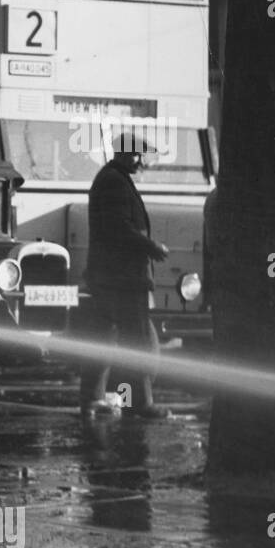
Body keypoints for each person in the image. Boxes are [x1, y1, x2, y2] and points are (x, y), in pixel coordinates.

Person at [79, 136, 172, 420]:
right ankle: (140, 403)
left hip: (109, 278)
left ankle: (93, 400)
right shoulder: (114, 182)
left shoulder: (110, 177)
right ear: (129, 155)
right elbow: (119, 228)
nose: (144, 162)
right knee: (139, 340)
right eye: (141, 156)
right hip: (123, 279)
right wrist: (151, 247)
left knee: (105, 339)